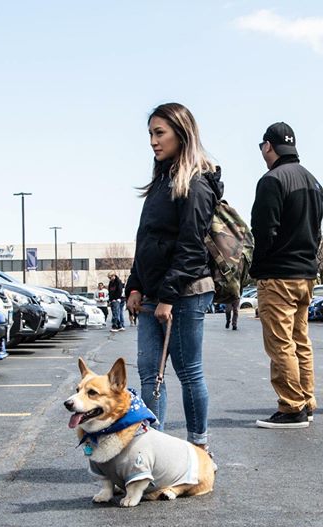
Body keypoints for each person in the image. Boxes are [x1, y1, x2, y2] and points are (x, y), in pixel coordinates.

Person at [125, 102, 220, 452]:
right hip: (153, 292)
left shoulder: (195, 183)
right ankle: (155, 448)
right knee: (150, 372)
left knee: (188, 371)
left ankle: (199, 448)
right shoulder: (162, 179)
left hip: (186, 291)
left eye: (159, 132)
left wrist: (167, 297)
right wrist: (135, 284)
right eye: (150, 133)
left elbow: (191, 246)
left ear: (182, 133)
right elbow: (146, 238)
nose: (152, 140)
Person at [250, 122, 323, 429]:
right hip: (306, 274)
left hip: (278, 275)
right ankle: (305, 400)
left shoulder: (272, 180)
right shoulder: (313, 181)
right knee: (300, 341)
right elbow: (317, 230)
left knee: (280, 344)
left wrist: (256, 267)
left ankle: (291, 407)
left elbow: (264, 231)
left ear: (269, 146)